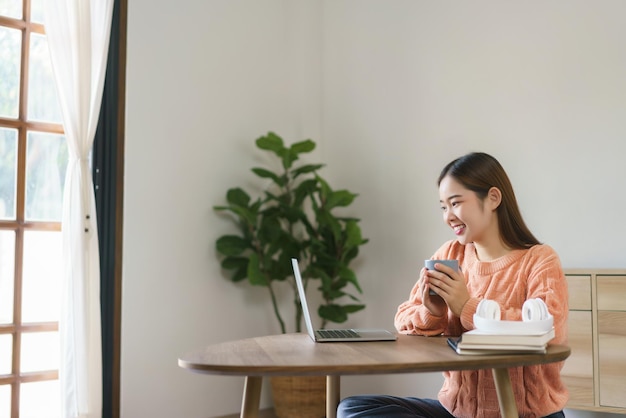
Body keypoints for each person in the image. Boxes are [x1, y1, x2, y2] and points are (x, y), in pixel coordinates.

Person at [337, 152, 568, 418]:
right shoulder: (450, 255)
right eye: (443, 207)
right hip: (458, 412)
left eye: (456, 203)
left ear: (493, 198)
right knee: (352, 408)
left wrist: (467, 307)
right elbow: (402, 318)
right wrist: (432, 312)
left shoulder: (539, 259)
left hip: (525, 414)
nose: (448, 216)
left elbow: (549, 329)